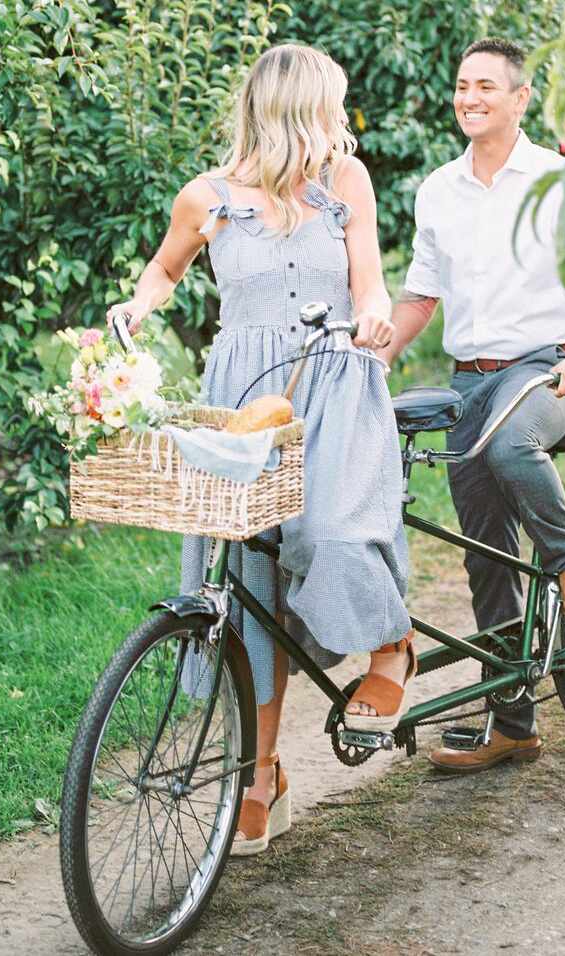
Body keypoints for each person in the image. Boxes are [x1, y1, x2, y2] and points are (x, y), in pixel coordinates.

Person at [106, 44, 416, 854]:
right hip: (248, 394)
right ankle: (260, 774)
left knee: (331, 535)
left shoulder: (345, 184)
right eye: (332, 106)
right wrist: (137, 309)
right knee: (249, 587)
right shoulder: (205, 198)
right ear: (293, 110)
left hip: (337, 380)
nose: (341, 122)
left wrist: (377, 315)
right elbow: (162, 272)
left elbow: (371, 281)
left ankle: (392, 649)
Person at [377, 37, 565, 774]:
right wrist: (376, 356)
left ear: (521, 99)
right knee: (484, 553)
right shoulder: (437, 190)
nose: (470, 98)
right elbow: (420, 295)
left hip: (545, 367)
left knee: (509, 448)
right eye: (462, 85)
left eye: (486, 86)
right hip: (469, 379)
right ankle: (512, 725)